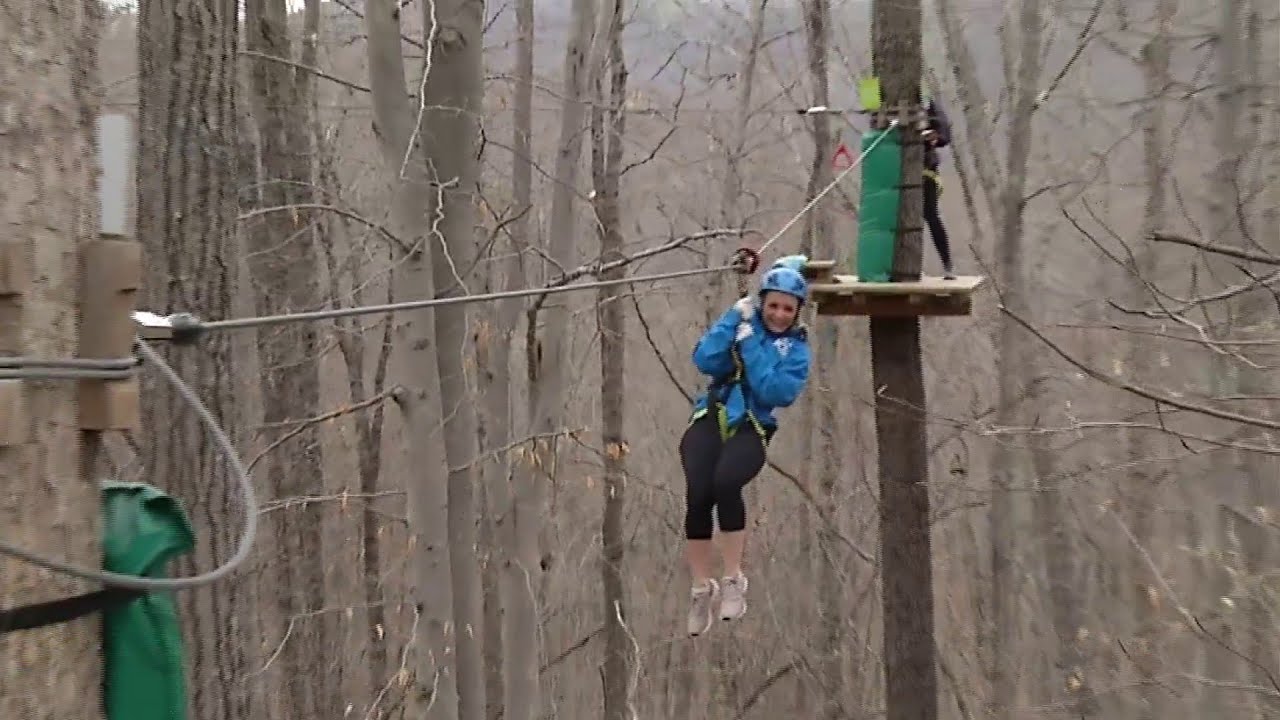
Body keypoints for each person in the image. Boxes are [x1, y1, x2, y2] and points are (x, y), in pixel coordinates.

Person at [678, 256, 813, 636]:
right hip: (713, 412)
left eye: (788, 308)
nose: (779, 314)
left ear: (798, 311)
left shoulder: (797, 351)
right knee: (698, 492)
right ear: (762, 303)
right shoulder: (740, 323)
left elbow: (775, 391)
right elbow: (705, 359)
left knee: (726, 482)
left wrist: (751, 343)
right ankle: (702, 587)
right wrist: (731, 319)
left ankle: (734, 578)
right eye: (772, 305)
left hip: (753, 425)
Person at [920, 98, 956, 279]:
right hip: (894, 164)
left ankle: (947, 264)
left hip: (925, 168)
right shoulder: (876, 87)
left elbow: (944, 130)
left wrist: (935, 137)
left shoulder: (928, 100)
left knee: (930, 215)